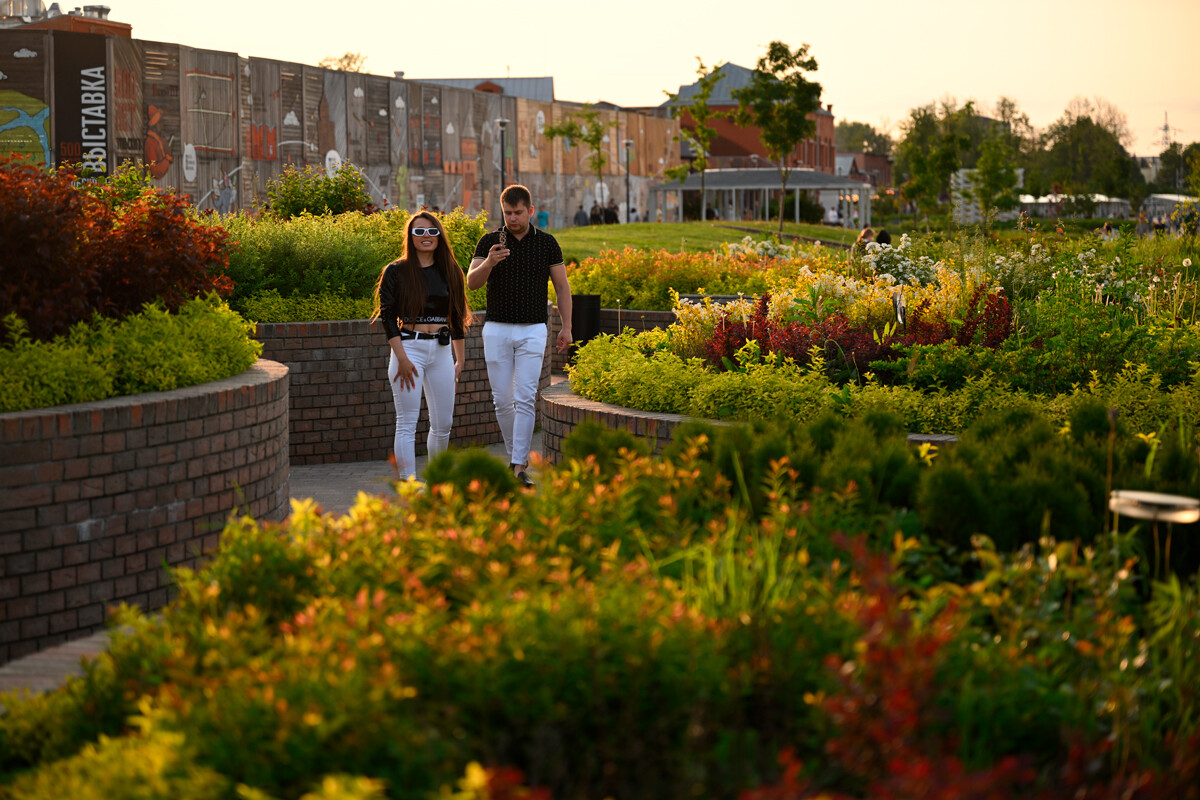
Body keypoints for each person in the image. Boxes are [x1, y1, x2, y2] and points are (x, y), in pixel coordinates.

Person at [468, 185, 573, 487]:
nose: (512, 218)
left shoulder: (547, 243)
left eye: (518, 213)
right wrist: (489, 262)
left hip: (533, 329)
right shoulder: (489, 241)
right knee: (502, 400)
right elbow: (472, 283)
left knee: (525, 397)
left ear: (530, 210)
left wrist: (566, 327)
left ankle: (518, 465)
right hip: (497, 328)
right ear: (502, 211)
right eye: (507, 213)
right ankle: (517, 457)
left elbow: (562, 287)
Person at [372, 213, 471, 480]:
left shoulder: (451, 271)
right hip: (408, 349)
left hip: (441, 352)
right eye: (419, 232)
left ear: (439, 235)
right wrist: (401, 358)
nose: (426, 237)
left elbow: (457, 317)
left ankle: (437, 479)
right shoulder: (396, 271)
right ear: (410, 237)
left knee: (443, 424)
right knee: (406, 422)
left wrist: (459, 360)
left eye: (431, 232)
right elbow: (387, 317)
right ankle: (408, 482)